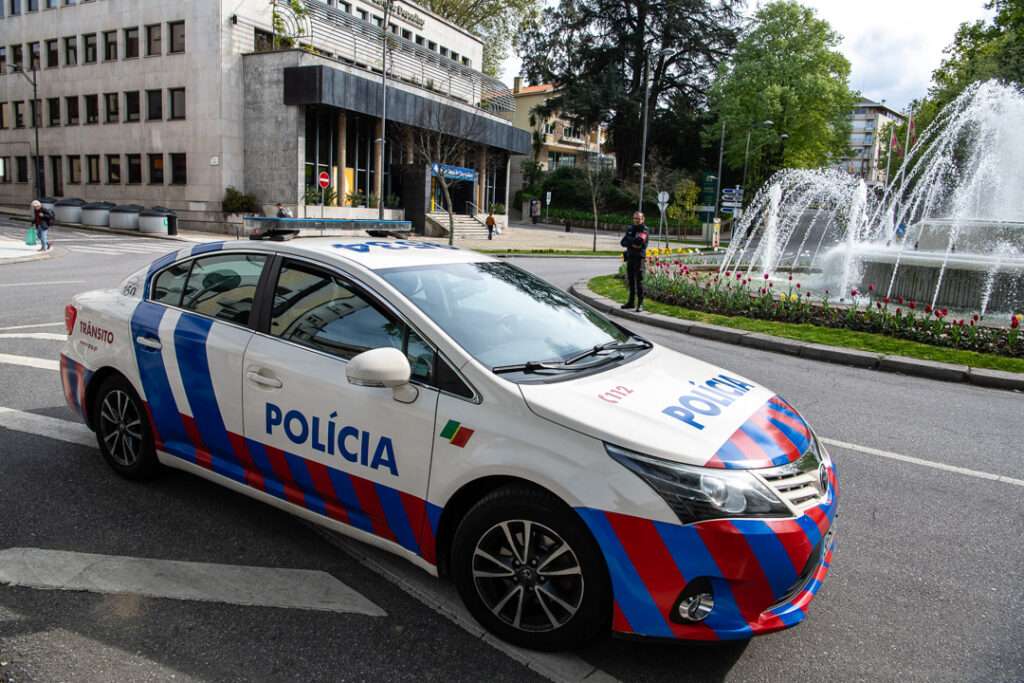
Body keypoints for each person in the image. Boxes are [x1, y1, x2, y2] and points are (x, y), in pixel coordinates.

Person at [620, 211, 648, 312]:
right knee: (631, 280)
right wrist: (633, 242)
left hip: (639, 258)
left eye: (638, 218)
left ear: (642, 219)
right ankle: (631, 302)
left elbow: (640, 242)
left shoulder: (644, 230)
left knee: (639, 281)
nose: (636, 220)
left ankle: (640, 304)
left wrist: (629, 240)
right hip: (630, 257)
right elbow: (622, 242)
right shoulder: (631, 228)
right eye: (635, 218)